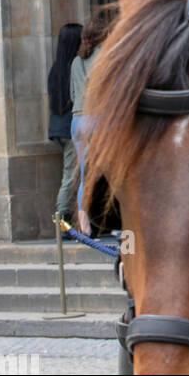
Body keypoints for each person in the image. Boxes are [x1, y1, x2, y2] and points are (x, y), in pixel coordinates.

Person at [70, 15, 109, 234]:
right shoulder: (104, 56)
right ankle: (113, 224)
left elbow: (73, 94)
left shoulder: (76, 60)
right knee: (111, 172)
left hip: (77, 120)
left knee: (85, 174)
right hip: (98, 118)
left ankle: (85, 228)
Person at [47, 22, 82, 220]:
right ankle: (61, 220)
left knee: (71, 173)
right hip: (69, 128)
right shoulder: (74, 66)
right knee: (70, 174)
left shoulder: (56, 69)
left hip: (57, 127)